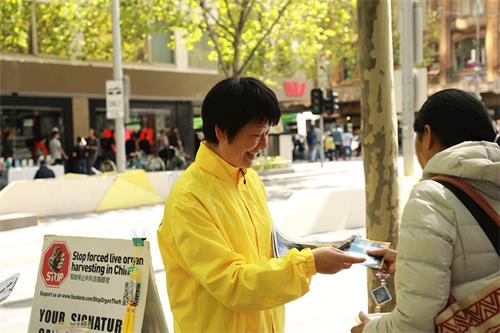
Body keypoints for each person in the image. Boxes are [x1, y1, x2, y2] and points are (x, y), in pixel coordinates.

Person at [157, 77, 365, 333]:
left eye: (267, 133)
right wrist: (309, 264)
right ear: (221, 131)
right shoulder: (188, 200)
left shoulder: (249, 179)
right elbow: (233, 285)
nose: (264, 145)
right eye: (256, 135)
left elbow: (269, 253)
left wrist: (327, 249)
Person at [351, 89, 500, 333]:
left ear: (427, 135)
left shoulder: (431, 196)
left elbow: (413, 325)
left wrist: (367, 330)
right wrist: (410, 263)